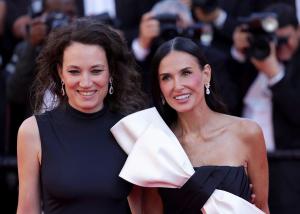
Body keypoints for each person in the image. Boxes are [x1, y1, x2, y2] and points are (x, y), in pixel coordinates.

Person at [16, 17, 146, 213]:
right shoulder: (32, 131)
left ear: (110, 72)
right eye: (74, 71)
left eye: (96, 71)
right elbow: (27, 210)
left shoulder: (132, 129)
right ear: (61, 73)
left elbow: (145, 209)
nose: (85, 82)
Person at [150, 37, 269, 213]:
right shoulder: (156, 144)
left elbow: (261, 208)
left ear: (206, 74)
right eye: (166, 77)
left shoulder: (247, 133)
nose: (177, 86)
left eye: (186, 73)